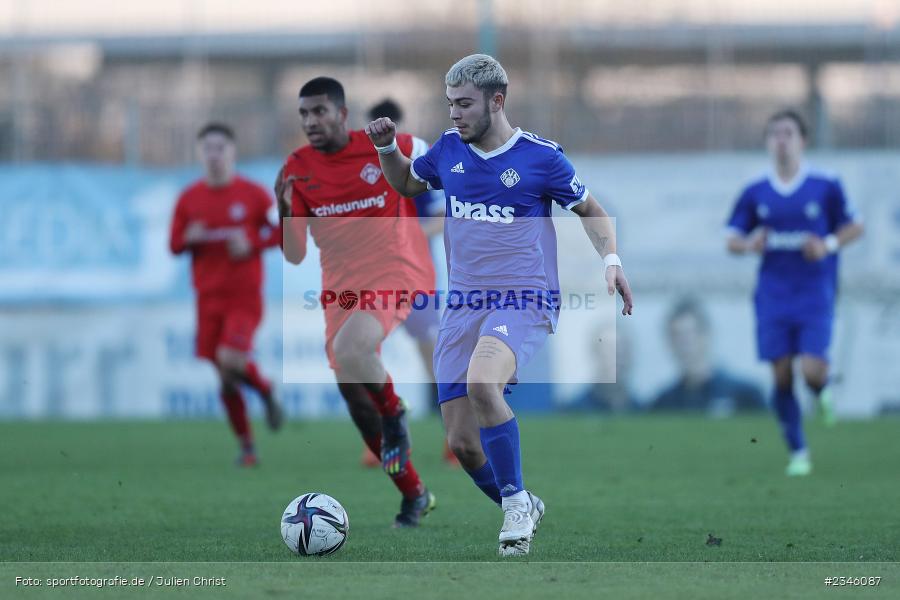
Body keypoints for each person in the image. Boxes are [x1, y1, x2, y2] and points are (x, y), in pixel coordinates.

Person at [366, 54, 633, 556]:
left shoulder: (540, 158)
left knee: (482, 381)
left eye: (464, 104)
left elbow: (591, 211)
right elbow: (406, 183)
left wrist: (612, 259)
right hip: (463, 307)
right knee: (463, 445)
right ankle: (521, 501)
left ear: (497, 101)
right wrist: (386, 149)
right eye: (449, 105)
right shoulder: (448, 151)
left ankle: (514, 508)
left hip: (524, 297)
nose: (455, 115)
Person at [276, 77, 437, 527]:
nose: (311, 121)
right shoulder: (297, 168)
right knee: (357, 403)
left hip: (396, 271)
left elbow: (444, 160)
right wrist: (284, 208)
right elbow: (294, 255)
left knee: (354, 352)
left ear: (343, 114)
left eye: (320, 112)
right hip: (340, 289)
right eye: (304, 114)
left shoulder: (387, 144)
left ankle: (397, 413)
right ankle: (414, 492)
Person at [726, 109, 864, 476]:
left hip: (815, 292)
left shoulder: (825, 185)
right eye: (775, 134)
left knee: (812, 370)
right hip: (773, 295)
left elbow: (855, 226)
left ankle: (822, 390)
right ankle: (799, 451)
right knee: (783, 375)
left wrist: (829, 244)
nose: (781, 140)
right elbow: (731, 239)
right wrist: (750, 244)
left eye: (788, 133)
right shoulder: (756, 191)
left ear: (802, 140)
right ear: (768, 142)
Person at [169, 122, 284, 467]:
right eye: (208, 148)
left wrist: (253, 242)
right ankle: (248, 447)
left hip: (244, 297)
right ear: (199, 153)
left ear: (232, 152)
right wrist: (189, 236)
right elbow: (173, 245)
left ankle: (263, 390)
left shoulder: (253, 195)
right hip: (207, 299)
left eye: (221, 147)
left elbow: (282, 233)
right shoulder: (189, 199)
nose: (214, 154)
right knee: (225, 377)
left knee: (231, 359)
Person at [360, 98, 457, 468]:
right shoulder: (359, 165)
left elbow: (442, 216)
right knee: (364, 351)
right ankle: (381, 440)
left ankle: (454, 436)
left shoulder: (420, 156)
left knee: (432, 355)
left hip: (415, 274)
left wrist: (407, 234)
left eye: (388, 130)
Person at [649, 297, 764, 416]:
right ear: (669, 343)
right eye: (676, 336)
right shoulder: (662, 404)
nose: (683, 344)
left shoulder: (746, 396)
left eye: (689, 334)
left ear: (707, 335)